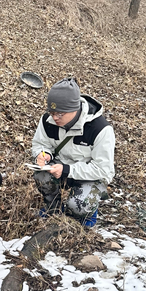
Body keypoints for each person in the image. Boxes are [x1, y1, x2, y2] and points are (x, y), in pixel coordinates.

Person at [31, 77, 115, 227]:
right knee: (41, 174)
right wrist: (43, 154)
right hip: (61, 167)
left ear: (75, 109)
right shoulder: (47, 120)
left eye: (60, 114)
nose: (54, 118)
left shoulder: (101, 129)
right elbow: (40, 143)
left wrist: (67, 170)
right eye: (52, 112)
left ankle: (85, 214)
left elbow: (103, 169)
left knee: (79, 204)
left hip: (92, 176)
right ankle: (53, 210)